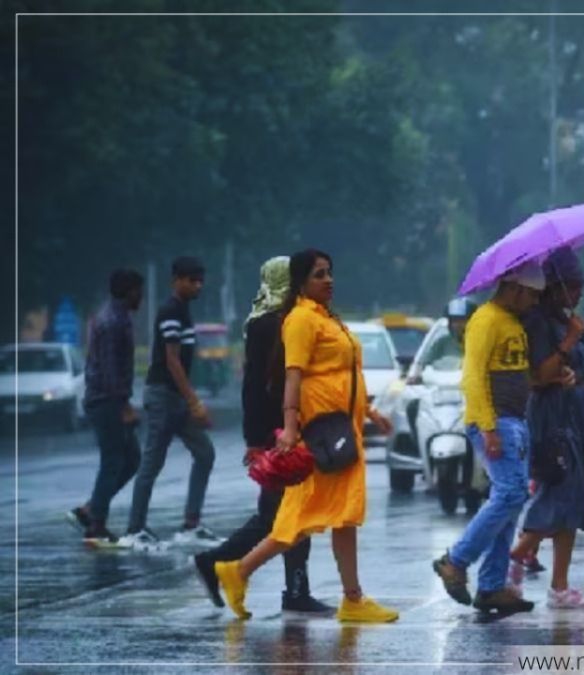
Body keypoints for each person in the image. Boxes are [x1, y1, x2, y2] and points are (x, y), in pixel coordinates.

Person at [212, 249, 398, 623]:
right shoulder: (300, 319)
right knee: (301, 518)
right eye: (319, 274)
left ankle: (351, 599)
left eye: (330, 272)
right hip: (320, 435)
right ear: (299, 282)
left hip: (342, 430)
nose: (328, 280)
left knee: (340, 515)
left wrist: (370, 412)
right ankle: (239, 571)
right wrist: (291, 427)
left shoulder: (326, 317)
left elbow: (345, 375)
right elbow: (292, 375)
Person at [193, 257, 332, 615]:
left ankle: (294, 590)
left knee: (285, 514)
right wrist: (256, 440)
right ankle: (221, 564)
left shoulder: (281, 318)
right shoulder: (269, 324)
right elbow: (255, 386)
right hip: (278, 431)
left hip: (287, 428)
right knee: (280, 515)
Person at [432, 262, 543, 614]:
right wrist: (488, 426)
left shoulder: (514, 322)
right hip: (495, 422)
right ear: (515, 288)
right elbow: (473, 377)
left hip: (515, 421)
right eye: (532, 295)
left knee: (512, 499)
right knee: (509, 493)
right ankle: (455, 560)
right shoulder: (485, 320)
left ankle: (492, 586)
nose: (535, 302)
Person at [506, 248, 584, 609]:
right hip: (551, 420)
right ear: (555, 286)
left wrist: (572, 369)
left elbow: (571, 370)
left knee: (574, 498)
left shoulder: (566, 320)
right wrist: (569, 341)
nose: (579, 293)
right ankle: (515, 556)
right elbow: (539, 374)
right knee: (558, 490)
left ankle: (559, 586)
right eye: (573, 286)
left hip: (575, 416)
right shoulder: (538, 322)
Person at [122, 257, 219, 550]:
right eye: (191, 280)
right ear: (176, 280)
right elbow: (172, 360)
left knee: (205, 453)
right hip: (163, 395)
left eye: (200, 280)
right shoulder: (170, 311)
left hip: (176, 398)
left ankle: (191, 523)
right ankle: (134, 529)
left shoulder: (184, 311)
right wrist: (194, 402)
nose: (197, 285)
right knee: (152, 462)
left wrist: (189, 401)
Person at [66, 269, 145, 544]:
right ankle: (96, 525)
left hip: (106, 399)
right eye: (139, 291)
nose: (141, 297)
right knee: (113, 460)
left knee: (131, 459)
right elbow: (111, 370)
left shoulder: (116, 317)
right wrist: (124, 405)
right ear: (129, 291)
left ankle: (90, 510)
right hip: (107, 401)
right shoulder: (113, 322)